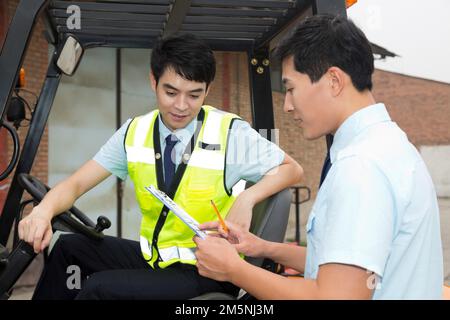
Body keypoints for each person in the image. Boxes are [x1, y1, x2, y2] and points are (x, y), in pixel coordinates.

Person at [18, 33, 303, 300]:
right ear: (153, 81)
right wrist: (42, 212)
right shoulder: (135, 131)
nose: (181, 105)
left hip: (209, 267)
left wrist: (247, 197)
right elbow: (76, 184)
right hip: (157, 257)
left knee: (98, 289)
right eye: (171, 92)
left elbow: (292, 168)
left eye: (194, 94)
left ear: (208, 90)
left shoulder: (229, 132)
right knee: (68, 247)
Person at [194, 15, 444, 300]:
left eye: (290, 88)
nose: (287, 105)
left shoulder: (361, 167)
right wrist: (261, 247)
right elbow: (338, 264)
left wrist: (232, 269)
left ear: (334, 81)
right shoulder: (388, 147)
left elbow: (337, 296)